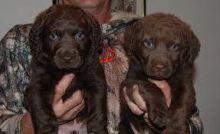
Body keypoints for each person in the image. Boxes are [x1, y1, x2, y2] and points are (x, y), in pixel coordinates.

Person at [0, 0, 203, 134]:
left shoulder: (146, 33)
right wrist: (34, 123)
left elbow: (195, 124)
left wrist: (164, 119)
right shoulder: (21, 39)